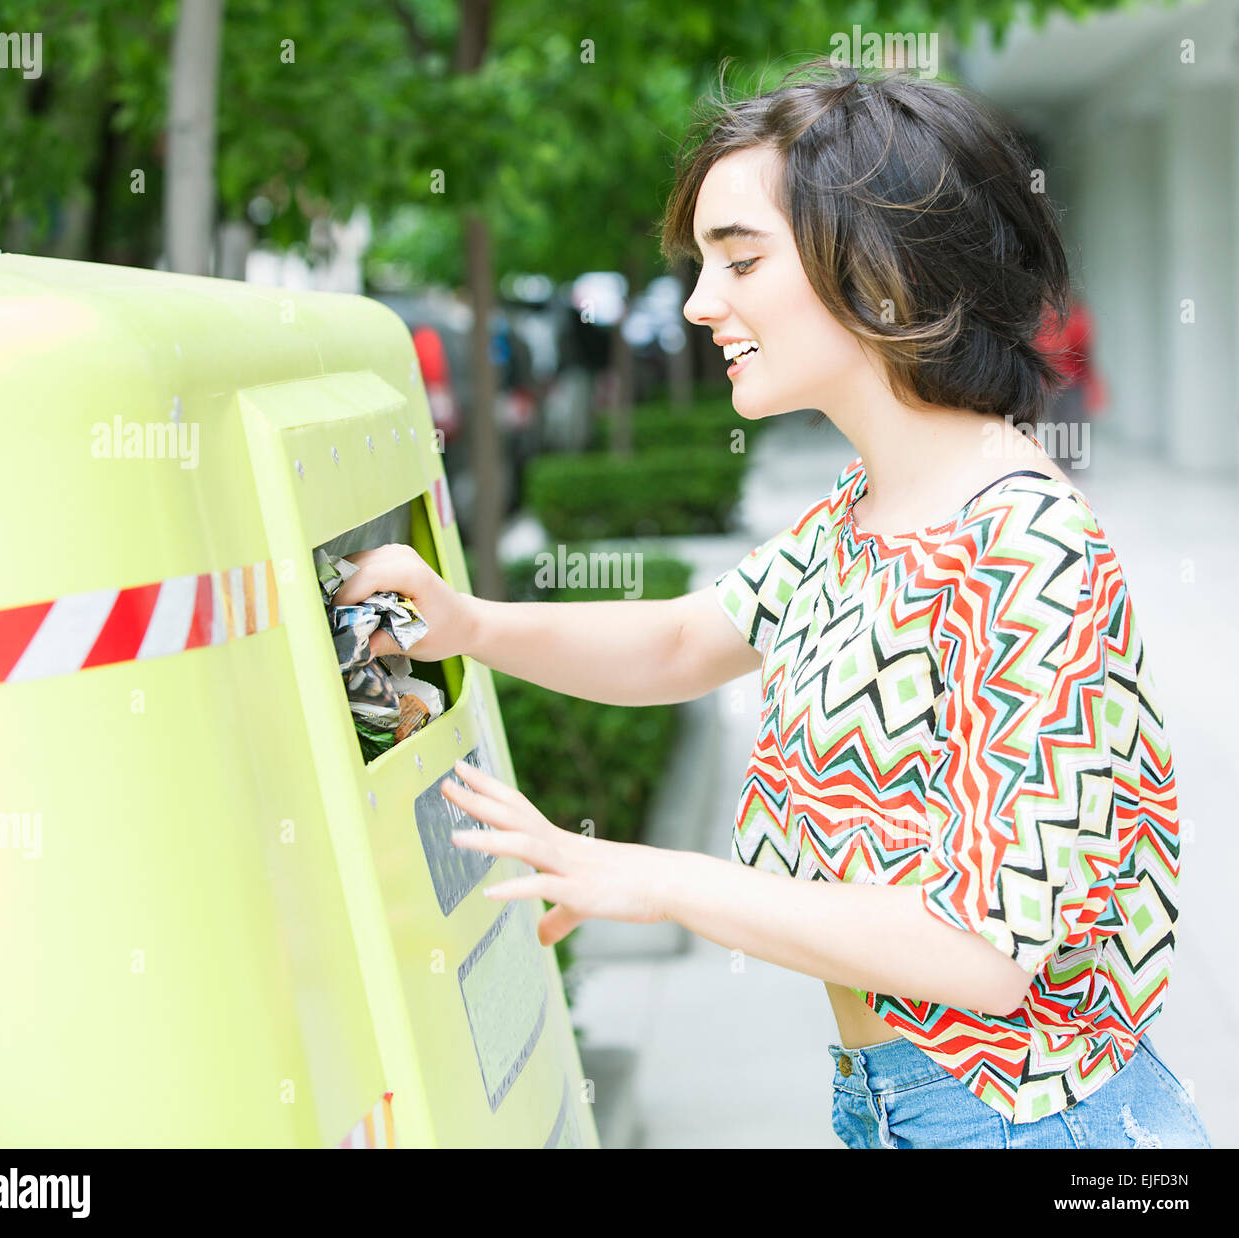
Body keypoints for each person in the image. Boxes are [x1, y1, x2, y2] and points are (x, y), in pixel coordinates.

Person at [334, 58, 1209, 1150]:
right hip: (899, 1106)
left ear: (880, 269)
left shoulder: (1022, 543)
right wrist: (469, 625)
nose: (702, 303)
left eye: (739, 260)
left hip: (1033, 1124)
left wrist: (655, 878)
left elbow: (981, 949)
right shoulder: (867, 507)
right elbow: (681, 640)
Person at [1034, 298, 1106, 473]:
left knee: (1073, 422)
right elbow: (1041, 347)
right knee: (1056, 423)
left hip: (1073, 383)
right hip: (1051, 383)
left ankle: (1073, 465)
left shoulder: (1077, 317)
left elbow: (1084, 348)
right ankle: (1061, 464)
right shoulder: (1045, 319)